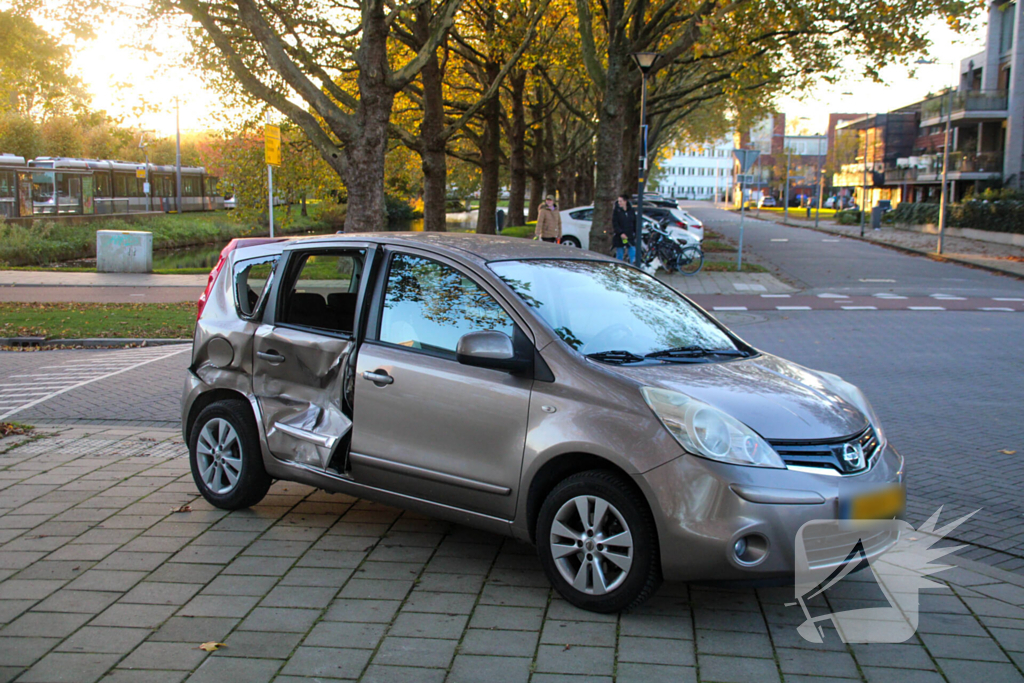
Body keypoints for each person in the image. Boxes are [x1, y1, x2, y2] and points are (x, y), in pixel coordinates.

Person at [612, 195, 636, 262]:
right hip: (620, 237)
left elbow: (634, 222)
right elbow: (615, 223)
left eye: (621, 201)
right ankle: (619, 266)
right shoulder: (617, 212)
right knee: (620, 253)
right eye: (618, 201)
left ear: (625, 201)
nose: (619, 203)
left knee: (632, 251)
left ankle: (633, 265)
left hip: (629, 236)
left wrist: (635, 233)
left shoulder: (631, 211)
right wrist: (620, 233)